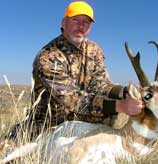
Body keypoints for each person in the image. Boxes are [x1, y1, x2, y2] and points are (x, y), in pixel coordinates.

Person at [9, 1, 144, 140]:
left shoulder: (94, 50)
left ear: (90, 27)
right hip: (49, 125)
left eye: (86, 22)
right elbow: (71, 100)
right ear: (64, 23)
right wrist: (119, 106)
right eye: (75, 20)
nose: (81, 26)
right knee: (111, 109)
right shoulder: (48, 56)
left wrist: (124, 92)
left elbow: (100, 83)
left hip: (82, 120)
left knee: (110, 112)